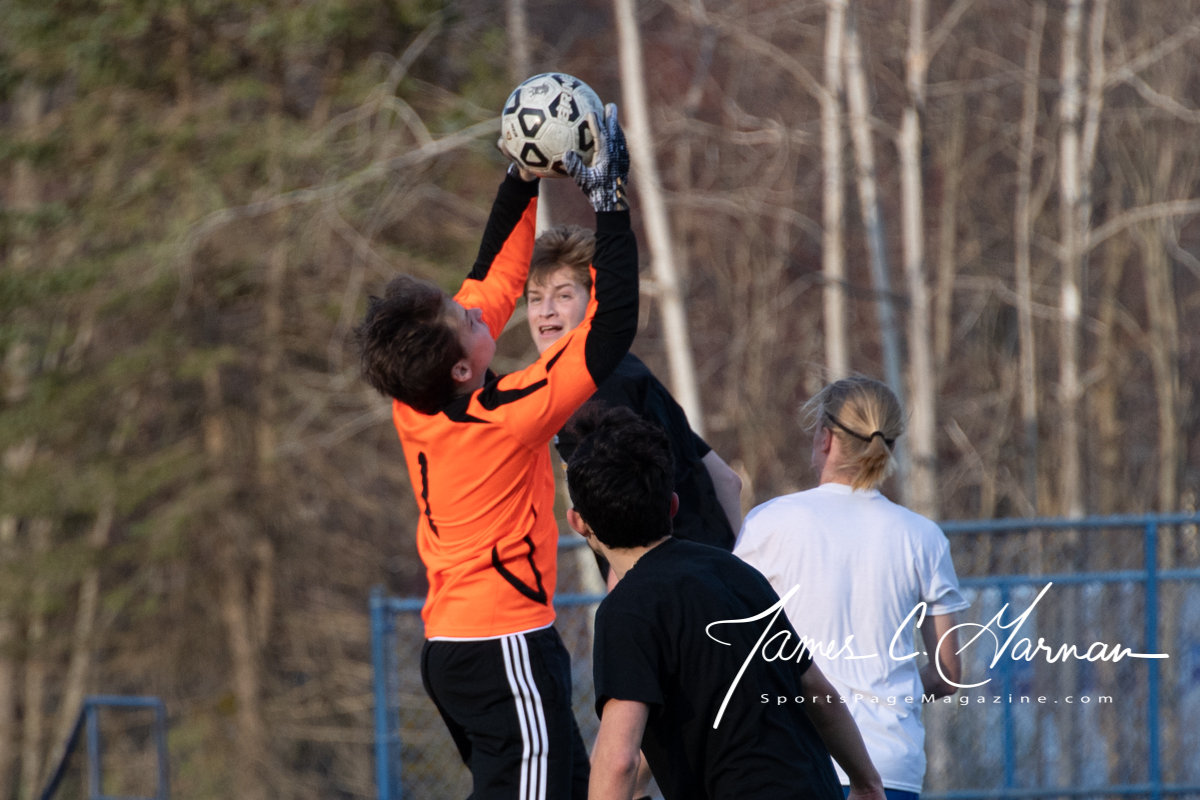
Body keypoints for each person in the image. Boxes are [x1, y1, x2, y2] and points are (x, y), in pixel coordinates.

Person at [355, 106, 634, 800]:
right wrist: (609, 202)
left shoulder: (414, 399)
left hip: (456, 648)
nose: (477, 309)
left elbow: (496, 274)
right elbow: (609, 329)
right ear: (460, 367)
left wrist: (521, 173)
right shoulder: (504, 418)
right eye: (466, 320)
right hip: (502, 646)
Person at [565, 405, 887, 800]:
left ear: (578, 522)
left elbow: (618, 760)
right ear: (672, 505)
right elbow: (817, 693)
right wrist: (867, 782)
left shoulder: (626, 610)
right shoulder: (735, 573)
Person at [734, 377, 970, 800]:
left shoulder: (770, 523)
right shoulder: (922, 537)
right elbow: (948, 674)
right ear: (890, 445)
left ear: (825, 438)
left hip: (795, 759)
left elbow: (731, 647)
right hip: (890, 766)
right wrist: (890, 696)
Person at [525, 225, 743, 561]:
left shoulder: (588, 394)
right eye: (535, 298)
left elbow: (622, 524)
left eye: (563, 295)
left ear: (594, 302)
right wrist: (739, 566)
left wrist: (622, 582)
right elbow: (727, 480)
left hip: (662, 576)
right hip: (713, 562)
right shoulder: (627, 368)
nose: (546, 310)